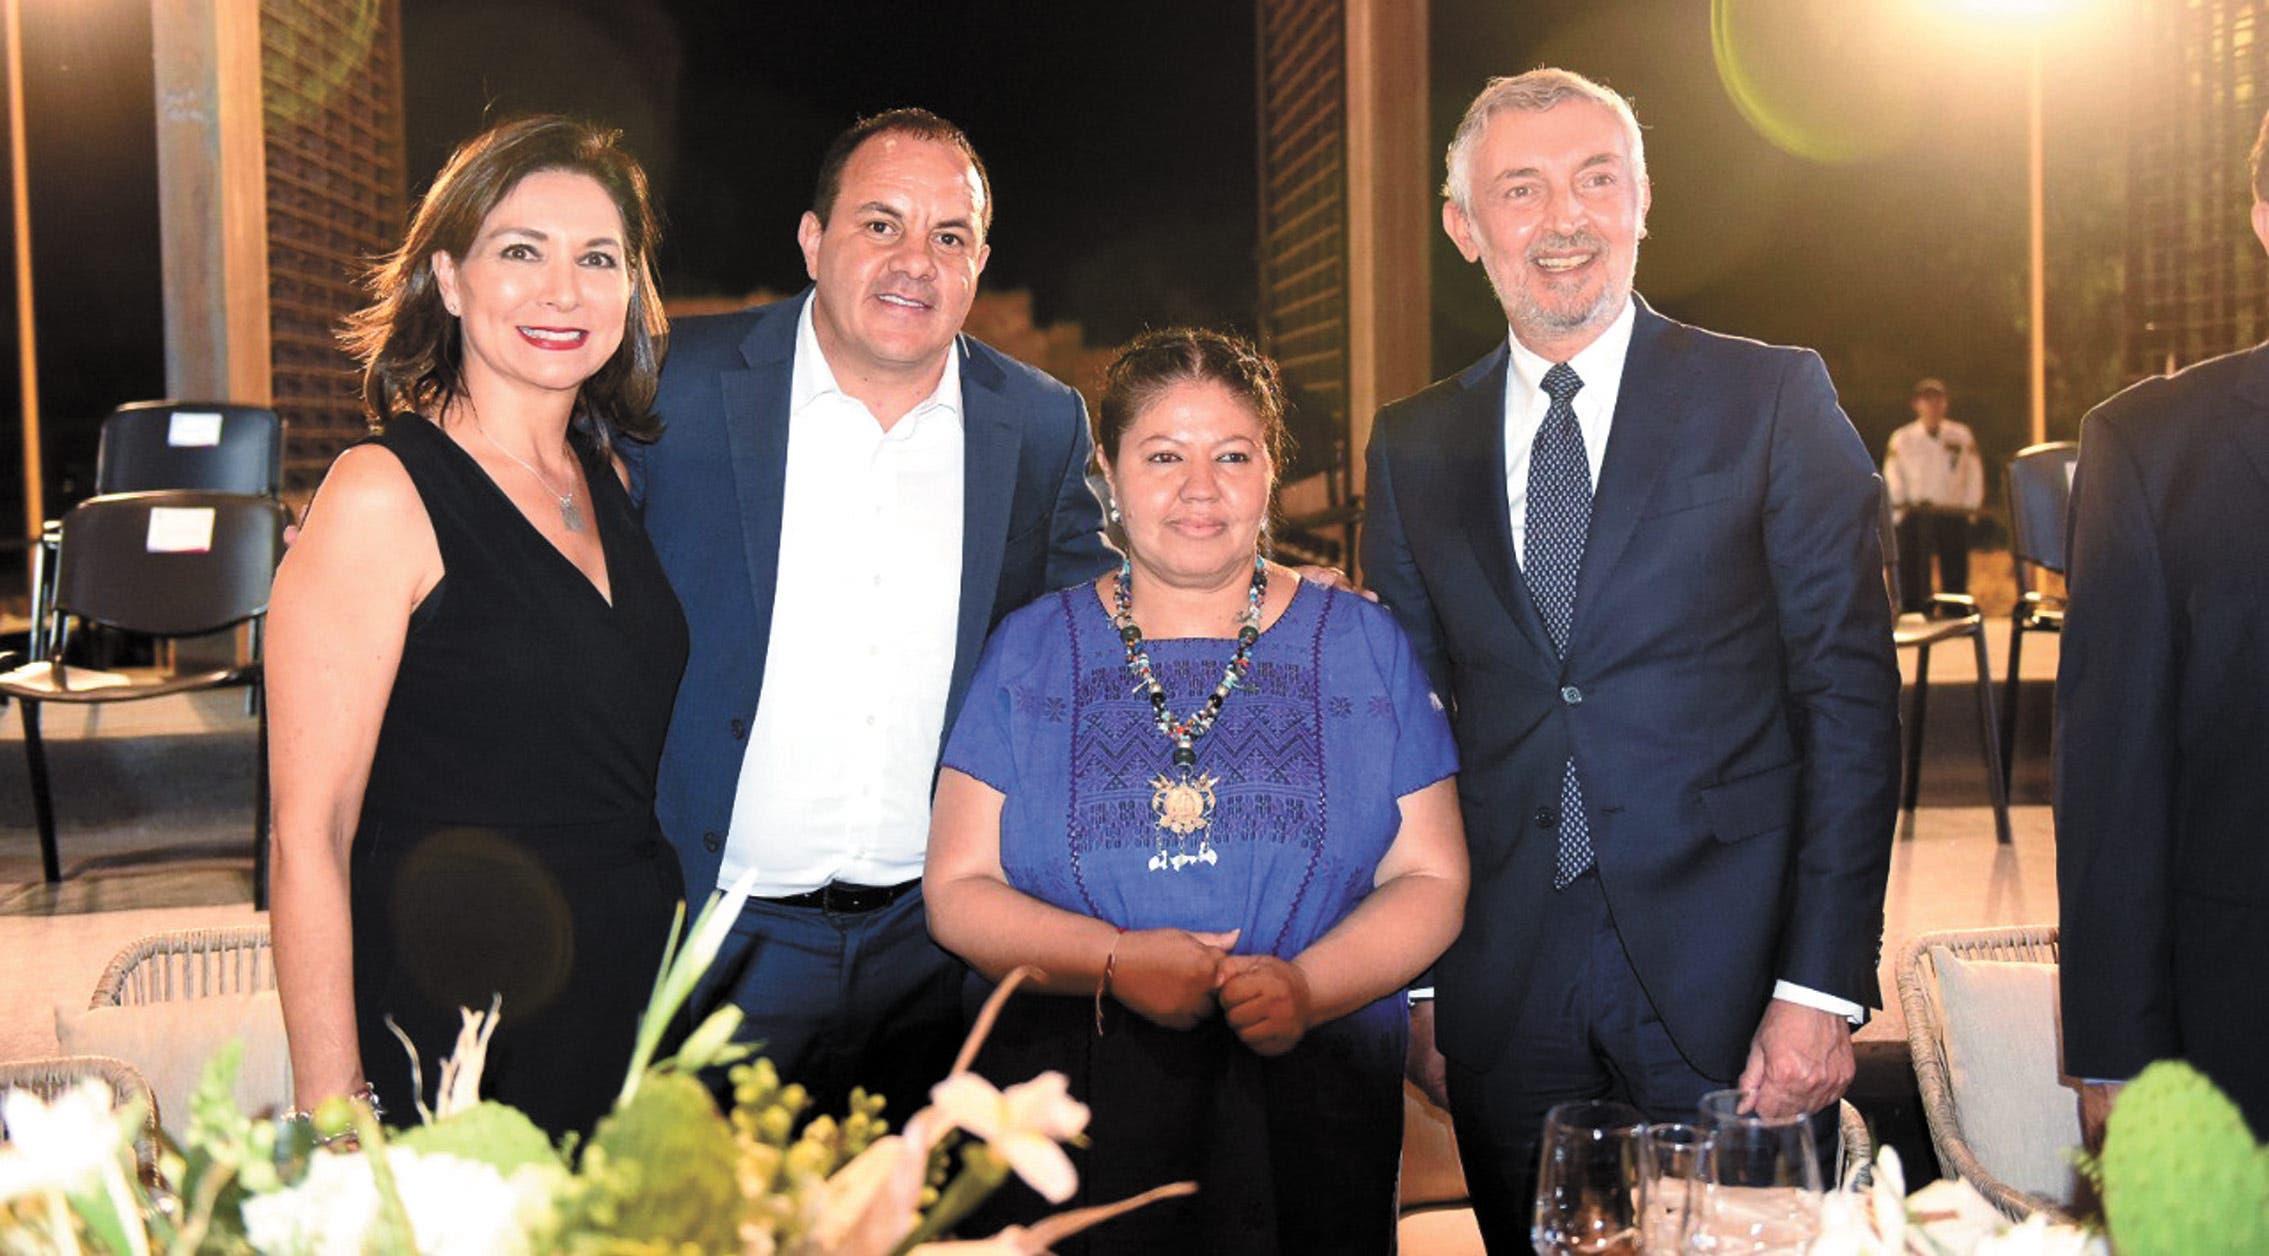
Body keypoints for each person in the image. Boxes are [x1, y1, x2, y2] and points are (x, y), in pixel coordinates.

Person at [1362, 68, 1900, 1245]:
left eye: (1595, 179)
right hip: (1504, 990)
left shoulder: (1772, 397)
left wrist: (1819, 987)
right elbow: (1403, 727)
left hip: (1736, 986)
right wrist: (1420, 983)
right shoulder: (1411, 445)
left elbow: (1849, 702)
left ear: (1642, 200)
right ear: (1464, 226)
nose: (1564, 218)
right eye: (1521, 188)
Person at [926, 328, 1469, 1253]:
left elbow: (1431, 876)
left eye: (1232, 455)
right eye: (1163, 456)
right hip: (1063, 1116)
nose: (1200, 489)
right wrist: (1111, 959)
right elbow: (956, 887)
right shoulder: (1029, 648)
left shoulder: (1360, 644)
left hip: (1311, 1106)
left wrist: (1307, 989)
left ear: (1270, 469)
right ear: (1108, 471)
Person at [624, 109, 1116, 1123]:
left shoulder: (1037, 422)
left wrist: (1276, 603)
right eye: (880, 224)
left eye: (949, 236)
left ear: (979, 263)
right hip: (712, 943)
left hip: (934, 952)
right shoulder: (673, 387)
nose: (914, 262)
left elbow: (1102, 627)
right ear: (813, 240)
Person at [268, 116, 687, 1139]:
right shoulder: (382, 492)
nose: (563, 292)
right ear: (448, 278)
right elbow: (308, 836)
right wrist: (336, 1118)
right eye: (520, 252)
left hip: (630, 1006)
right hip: (457, 1027)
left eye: (598, 258)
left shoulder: (608, 477)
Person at [2057, 106, 2269, 1143]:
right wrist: (2116, 1054)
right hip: (2240, 1039)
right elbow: (2112, 780)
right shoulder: (2150, 449)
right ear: (2264, 216)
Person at [1883, 377, 1984, 612]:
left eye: (1938, 400)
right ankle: (1915, 610)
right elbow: (1892, 472)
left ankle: (1955, 611)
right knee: (1913, 567)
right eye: (1927, 400)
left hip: (1952, 509)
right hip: (1915, 510)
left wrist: (1971, 505)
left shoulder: (1960, 435)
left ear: (1945, 403)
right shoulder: (1903, 438)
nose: (1933, 406)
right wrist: (1899, 503)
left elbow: (1974, 471)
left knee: (1955, 565)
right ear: (1916, 404)